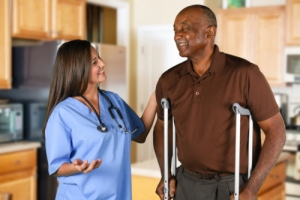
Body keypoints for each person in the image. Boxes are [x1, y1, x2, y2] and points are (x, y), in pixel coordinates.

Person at [153, 4, 286, 200]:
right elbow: (162, 129)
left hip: (231, 187)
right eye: (175, 30)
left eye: (185, 28)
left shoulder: (245, 74)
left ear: (209, 32)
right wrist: (166, 175)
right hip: (185, 184)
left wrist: (252, 188)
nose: (177, 36)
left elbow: (276, 132)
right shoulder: (169, 79)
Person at [42, 39, 157, 200]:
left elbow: (140, 134)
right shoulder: (63, 113)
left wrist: (155, 98)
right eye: (95, 62)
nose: (102, 64)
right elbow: (56, 167)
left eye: (99, 58)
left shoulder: (113, 101)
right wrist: (78, 168)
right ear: (77, 69)